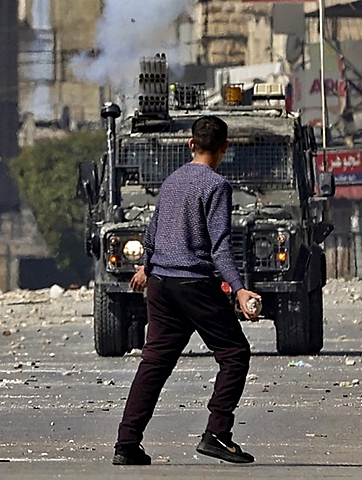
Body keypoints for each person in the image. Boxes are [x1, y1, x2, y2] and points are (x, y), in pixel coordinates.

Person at [112, 115, 261, 466]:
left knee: (154, 363)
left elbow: (151, 235)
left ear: (191, 144)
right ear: (225, 148)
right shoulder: (217, 186)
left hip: (161, 286)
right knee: (235, 353)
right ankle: (217, 434)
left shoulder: (171, 181)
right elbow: (221, 247)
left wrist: (148, 269)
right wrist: (239, 290)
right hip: (194, 284)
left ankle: (127, 443)